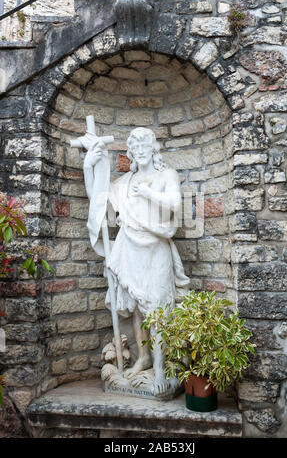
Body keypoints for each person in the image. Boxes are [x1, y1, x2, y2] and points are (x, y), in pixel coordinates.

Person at [83, 127, 190, 397]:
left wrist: (147, 193)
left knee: (159, 307)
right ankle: (143, 358)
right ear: (131, 153)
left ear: (154, 149)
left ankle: (162, 368)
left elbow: (175, 205)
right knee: (137, 307)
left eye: (145, 146)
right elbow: (99, 198)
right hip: (130, 245)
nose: (141, 151)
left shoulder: (166, 175)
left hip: (156, 246)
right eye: (136, 147)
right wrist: (90, 166)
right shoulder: (126, 182)